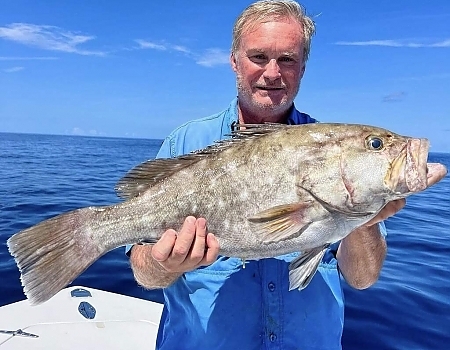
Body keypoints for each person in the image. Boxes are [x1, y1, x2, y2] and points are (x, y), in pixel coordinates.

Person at [128, 1, 405, 348]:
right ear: (234, 61)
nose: (272, 73)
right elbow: (143, 270)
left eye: (287, 59)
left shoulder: (338, 155)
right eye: (258, 56)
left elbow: (362, 278)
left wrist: (361, 220)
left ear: (303, 67)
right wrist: (164, 263)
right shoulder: (185, 143)